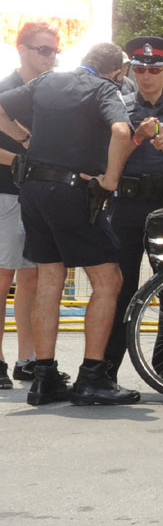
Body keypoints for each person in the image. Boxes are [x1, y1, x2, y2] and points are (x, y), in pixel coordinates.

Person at [0, 42, 139, 406]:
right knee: (109, 280)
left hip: (33, 188)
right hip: (73, 192)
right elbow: (122, 132)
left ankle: (44, 377)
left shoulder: (47, 81)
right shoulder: (105, 88)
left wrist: (24, 139)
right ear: (118, 71)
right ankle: (93, 376)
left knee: (49, 277)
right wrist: (109, 180)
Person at [104, 37, 163, 385]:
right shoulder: (118, 107)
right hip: (127, 205)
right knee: (118, 288)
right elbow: (108, 161)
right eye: (141, 69)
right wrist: (138, 138)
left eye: (155, 70)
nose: (147, 77)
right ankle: (106, 370)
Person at [0, 22, 58, 388]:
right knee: (4, 277)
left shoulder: (50, 91)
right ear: (22, 49)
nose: (51, 57)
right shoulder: (6, 90)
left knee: (32, 279)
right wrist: (21, 161)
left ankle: (28, 357)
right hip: (6, 191)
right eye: (44, 50)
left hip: (37, 195)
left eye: (54, 51)